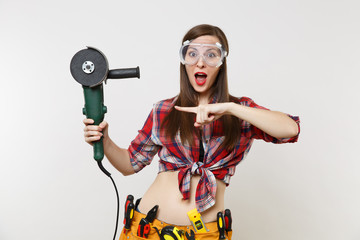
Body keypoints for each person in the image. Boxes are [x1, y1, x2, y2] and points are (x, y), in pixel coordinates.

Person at [83, 24, 300, 240]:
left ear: (222, 62)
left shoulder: (241, 111)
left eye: (211, 54)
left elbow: (290, 129)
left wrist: (230, 108)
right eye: (192, 54)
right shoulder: (163, 110)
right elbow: (129, 164)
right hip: (146, 230)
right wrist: (105, 139)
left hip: (204, 235)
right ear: (184, 61)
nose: (201, 62)